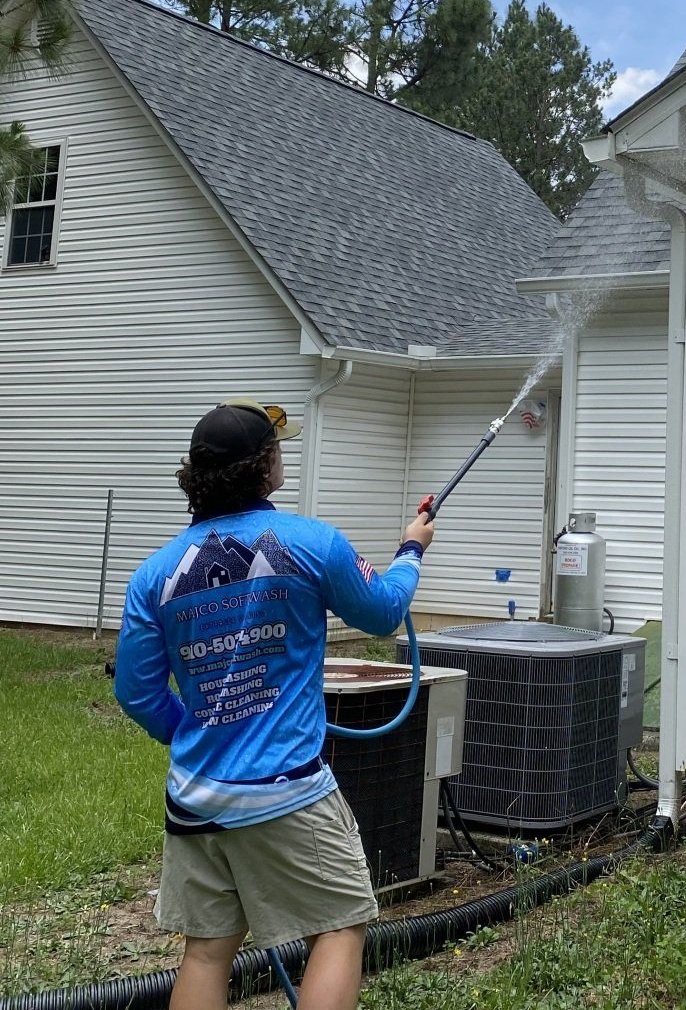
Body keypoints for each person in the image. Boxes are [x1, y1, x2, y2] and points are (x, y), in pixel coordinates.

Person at [115, 397, 435, 1010]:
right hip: (286, 792)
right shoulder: (311, 543)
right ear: (264, 467)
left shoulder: (153, 576)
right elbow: (383, 610)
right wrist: (411, 550)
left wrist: (197, 732)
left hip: (195, 799)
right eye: (278, 449)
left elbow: (136, 691)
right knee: (339, 928)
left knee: (207, 952)